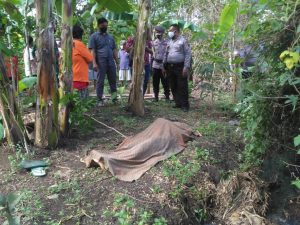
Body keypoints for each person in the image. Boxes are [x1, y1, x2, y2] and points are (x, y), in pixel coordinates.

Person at [88, 17, 119, 106]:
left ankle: (114, 99)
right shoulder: (94, 36)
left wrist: (117, 61)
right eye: (103, 25)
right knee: (100, 81)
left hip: (110, 61)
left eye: (106, 25)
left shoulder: (111, 37)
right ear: (98, 26)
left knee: (113, 80)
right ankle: (99, 100)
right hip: (100, 62)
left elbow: (114, 50)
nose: (105, 27)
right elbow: (92, 51)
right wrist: (94, 63)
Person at [163, 24, 192, 112]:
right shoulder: (169, 41)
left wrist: (186, 67)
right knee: (173, 85)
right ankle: (177, 103)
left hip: (180, 66)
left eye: (170, 31)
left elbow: (188, 54)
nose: (169, 32)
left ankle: (185, 105)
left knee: (182, 86)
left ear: (175, 31)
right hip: (170, 66)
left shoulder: (183, 40)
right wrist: (163, 65)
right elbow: (166, 53)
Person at [125, 30, 153, 96]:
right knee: (135, 81)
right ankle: (134, 96)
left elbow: (152, 51)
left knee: (145, 81)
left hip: (146, 63)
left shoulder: (148, 40)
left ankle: (141, 97)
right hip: (135, 64)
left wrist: (145, 48)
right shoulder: (131, 39)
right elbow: (127, 50)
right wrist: (135, 45)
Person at [72, 25, 93, 99]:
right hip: (79, 78)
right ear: (80, 34)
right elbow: (90, 58)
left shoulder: (68, 44)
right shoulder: (78, 44)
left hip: (71, 77)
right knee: (81, 103)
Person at [152, 25, 170, 101]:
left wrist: (166, 65)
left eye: (159, 32)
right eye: (157, 32)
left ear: (162, 33)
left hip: (164, 65)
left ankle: (167, 97)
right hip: (155, 65)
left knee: (165, 81)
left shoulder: (167, 42)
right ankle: (156, 97)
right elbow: (152, 53)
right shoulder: (153, 43)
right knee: (155, 82)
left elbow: (168, 53)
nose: (158, 34)